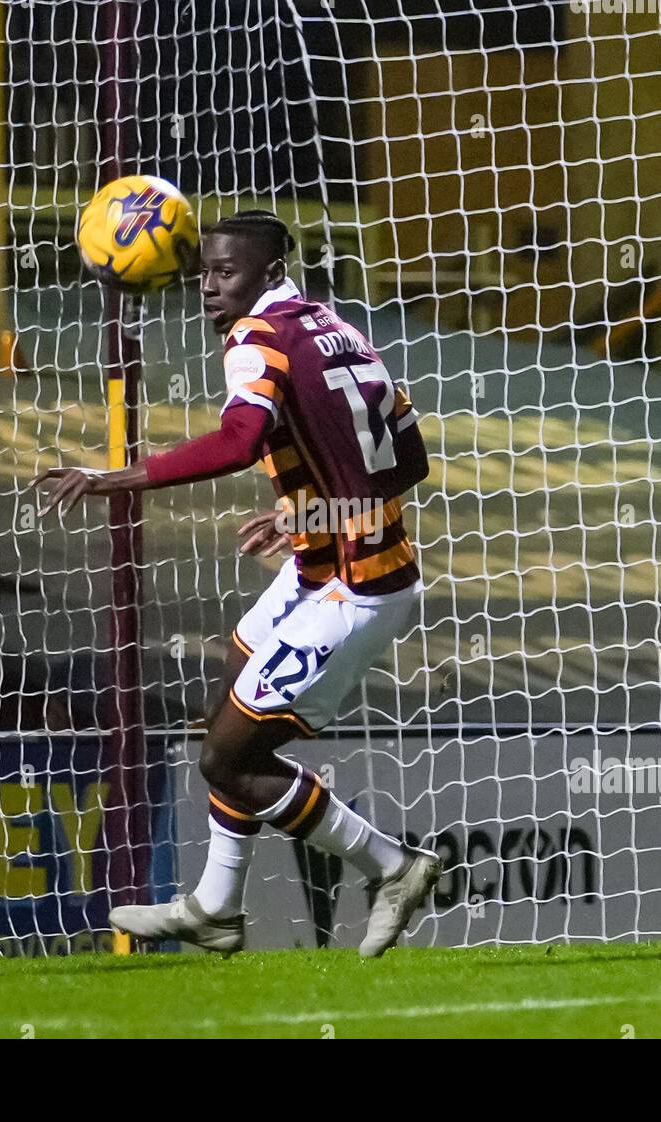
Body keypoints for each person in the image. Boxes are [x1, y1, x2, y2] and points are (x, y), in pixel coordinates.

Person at [31, 210, 440, 956]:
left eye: (225, 273)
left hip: (356, 588)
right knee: (234, 671)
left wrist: (109, 478)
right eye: (203, 273)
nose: (209, 288)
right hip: (323, 564)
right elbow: (407, 459)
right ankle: (217, 906)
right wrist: (307, 510)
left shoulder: (258, 338)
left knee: (228, 758)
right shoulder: (330, 324)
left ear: (269, 272)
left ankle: (394, 864)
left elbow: (238, 440)